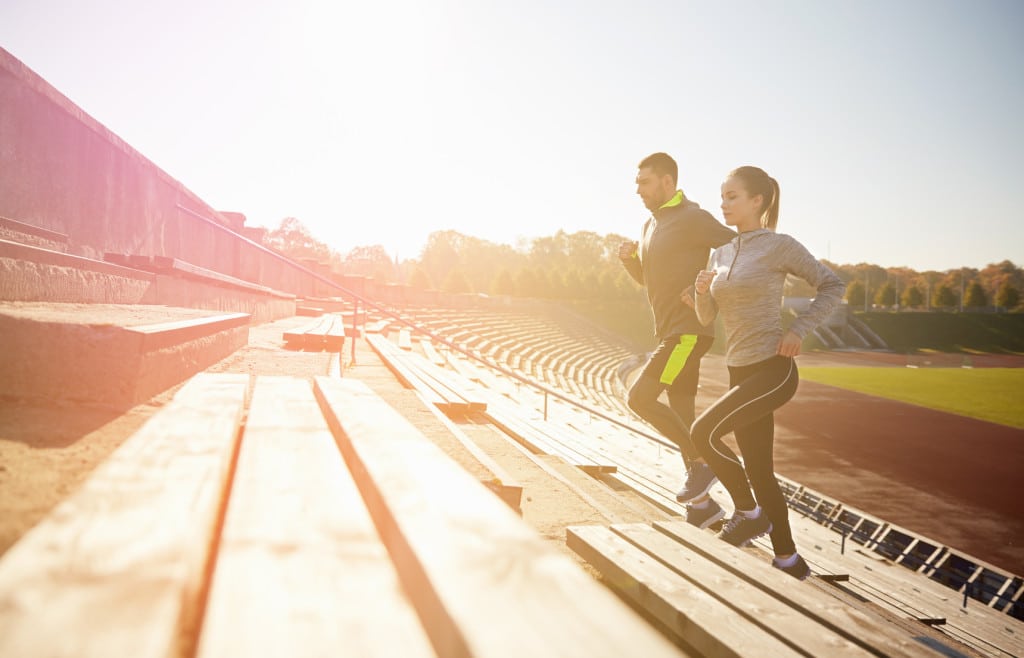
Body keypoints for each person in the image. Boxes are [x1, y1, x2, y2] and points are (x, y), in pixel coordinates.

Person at [686, 165, 845, 580]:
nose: (724, 203)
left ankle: (749, 513)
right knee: (759, 470)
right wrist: (702, 293)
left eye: (732, 196)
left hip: (773, 369)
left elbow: (832, 285)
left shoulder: (779, 246)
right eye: (722, 196)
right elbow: (707, 318)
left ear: (758, 200)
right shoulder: (719, 253)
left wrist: (798, 329)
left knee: (703, 433)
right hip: (739, 369)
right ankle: (789, 560)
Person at [618, 152, 736, 529]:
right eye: (637, 182)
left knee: (638, 398)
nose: (637, 189)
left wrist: (707, 289)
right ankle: (702, 506)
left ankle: (705, 465)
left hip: (688, 331)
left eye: (645, 182)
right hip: (670, 330)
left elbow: (739, 251)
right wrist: (630, 263)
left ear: (668, 182)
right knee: (683, 415)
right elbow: (651, 282)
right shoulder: (649, 225)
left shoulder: (693, 218)